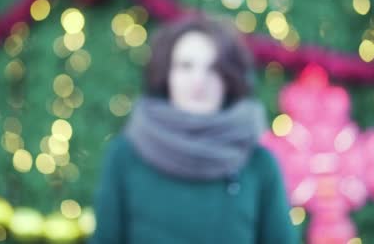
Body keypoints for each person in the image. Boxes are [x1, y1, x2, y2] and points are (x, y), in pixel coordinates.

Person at [89, 16, 298, 244]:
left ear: (229, 78)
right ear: (166, 75)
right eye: (185, 66)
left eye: (213, 69)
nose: (198, 80)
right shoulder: (126, 155)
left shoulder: (259, 163)